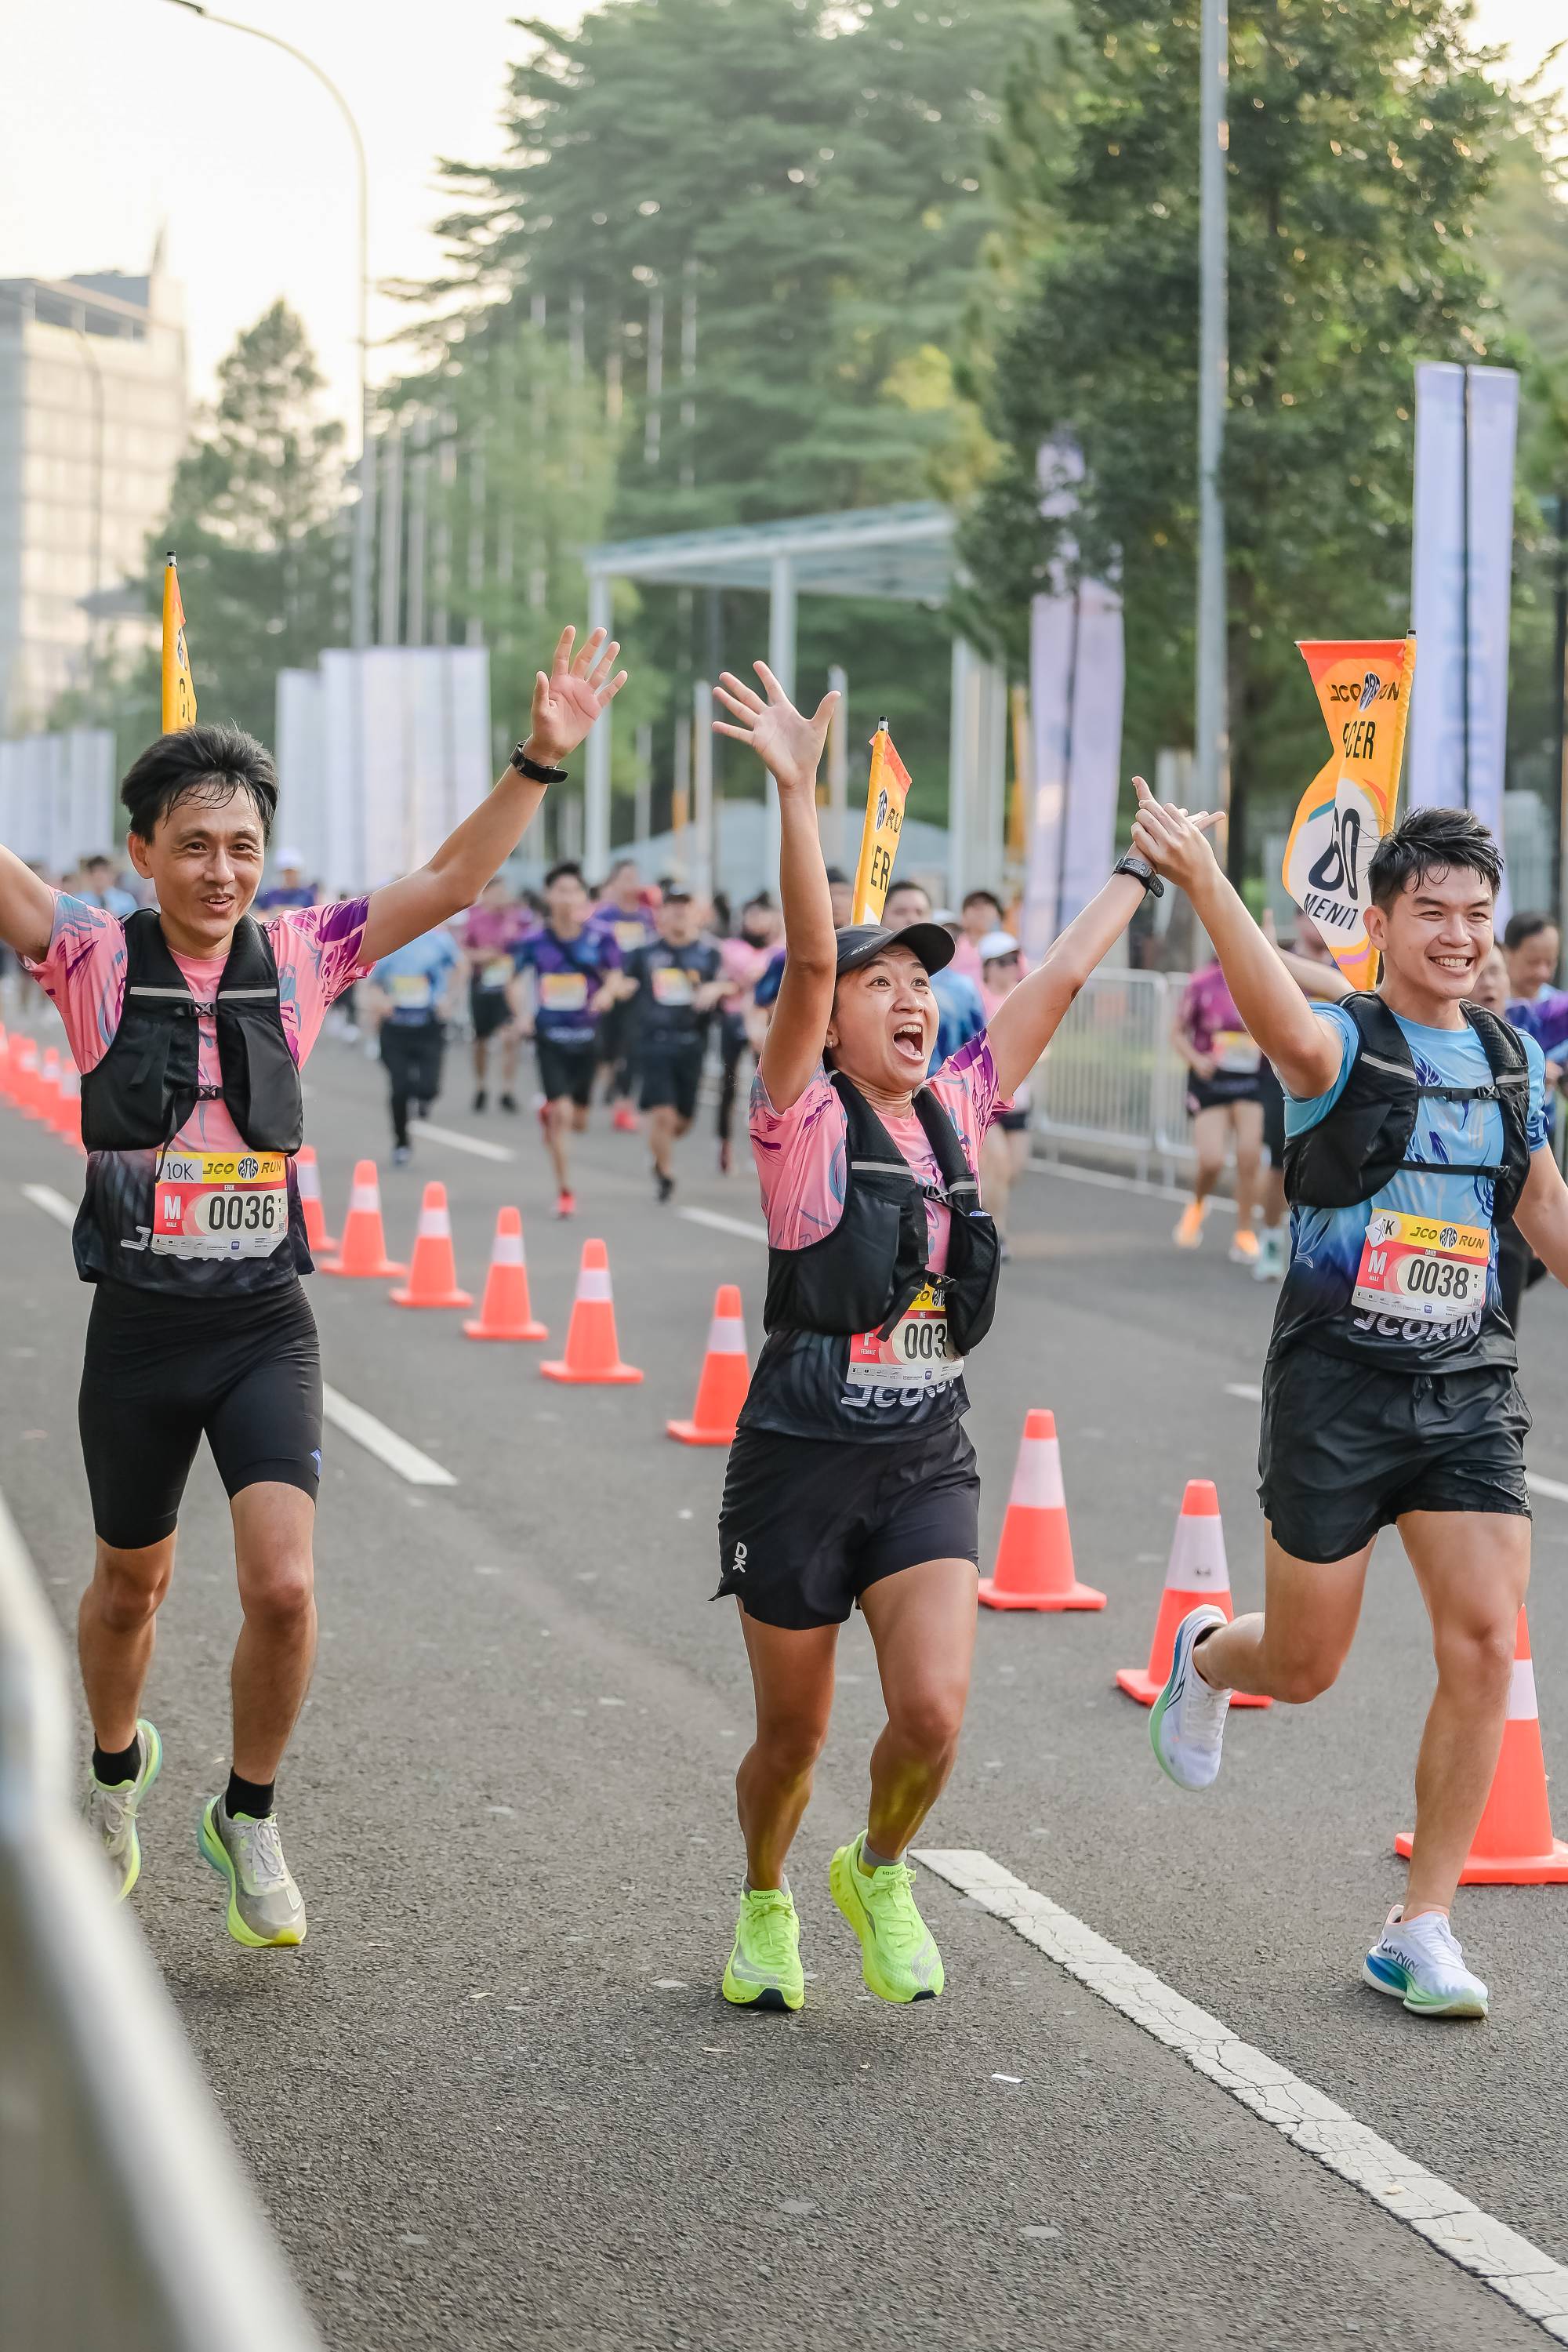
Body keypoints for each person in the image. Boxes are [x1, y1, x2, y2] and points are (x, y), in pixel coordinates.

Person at [0, 623, 622, 1945]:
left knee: (283, 1585)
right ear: (143, 853)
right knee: (129, 1588)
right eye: (194, 845)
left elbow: (453, 879)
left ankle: (249, 1813)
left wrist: (539, 759)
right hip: (139, 1328)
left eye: (242, 846)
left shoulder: (306, 953)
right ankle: (114, 1774)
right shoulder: (89, 954)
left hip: (261, 1325)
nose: (221, 870)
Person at [708, 660, 1172, 2015]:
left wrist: (1142, 870)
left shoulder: (959, 1106)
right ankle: (764, 1895)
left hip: (923, 1455)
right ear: (833, 1018)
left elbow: (1063, 978)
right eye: (882, 981)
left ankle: (879, 1869)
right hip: (798, 1459)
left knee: (931, 1714)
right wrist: (797, 792)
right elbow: (806, 959)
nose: (910, 995)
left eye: (922, 979)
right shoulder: (799, 1115)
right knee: (792, 1737)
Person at [1133, 791, 1568, 2023]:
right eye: (1432, 912)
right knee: (1306, 1664)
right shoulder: (1339, 1043)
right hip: (1336, 1386)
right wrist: (1205, 880)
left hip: (1466, 1384)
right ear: (1379, 924)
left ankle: (1421, 1925)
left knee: (1486, 1639)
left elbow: (1542, 1210)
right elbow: (1270, 1005)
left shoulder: (1510, 1060)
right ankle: (1208, 1657)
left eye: (1476, 914)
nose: (1460, 935)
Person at [512, 859, 623, 1216]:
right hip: (550, 1037)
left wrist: (607, 992)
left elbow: (616, 975)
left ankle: (551, 1113)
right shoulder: (533, 941)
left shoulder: (601, 936)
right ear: (549, 895)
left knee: (579, 1120)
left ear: (583, 896)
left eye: (574, 890)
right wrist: (521, 1014)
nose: (568, 897)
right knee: (561, 1115)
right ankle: (565, 1191)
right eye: (561, 890)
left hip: (588, 1037)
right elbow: (515, 982)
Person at [1253, 913, 1349, 1282]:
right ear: (1297, 920)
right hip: (1282, 1080)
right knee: (1280, 1165)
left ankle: (1322, 1250)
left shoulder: (1350, 966)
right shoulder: (1275, 958)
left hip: (1339, 1082)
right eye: (1313, 916)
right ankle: (1271, 1241)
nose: (1321, 925)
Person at [616, 887, 726, 1202]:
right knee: (663, 1114)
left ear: (696, 913)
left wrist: (717, 988)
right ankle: (665, 1173)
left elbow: (733, 983)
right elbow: (624, 980)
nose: (679, 912)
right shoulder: (645, 952)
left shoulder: (710, 952)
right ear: (661, 913)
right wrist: (618, 989)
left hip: (692, 1042)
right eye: (672, 906)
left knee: (682, 1122)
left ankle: (658, 1149)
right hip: (654, 1041)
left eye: (685, 906)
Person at [1171, 953, 1265, 1263]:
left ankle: (1244, 1233)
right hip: (1210, 1081)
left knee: (1249, 1156)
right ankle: (1198, 1205)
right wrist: (1197, 1061)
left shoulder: (1259, 976)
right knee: (1211, 1160)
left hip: (1251, 1080)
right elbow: (1176, 1032)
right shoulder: (1201, 982)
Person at [367, 923, 460, 1163]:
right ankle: (401, 1142)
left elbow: (461, 967)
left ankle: (424, 1098)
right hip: (395, 1029)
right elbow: (374, 983)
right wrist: (381, 1001)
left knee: (429, 1088)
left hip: (429, 1026)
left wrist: (449, 998)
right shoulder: (388, 940)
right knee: (400, 1088)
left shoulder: (439, 941)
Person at [884, 879, 987, 1072]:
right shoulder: (863, 980)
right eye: (900, 912)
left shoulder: (962, 988)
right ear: (881, 917)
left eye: (919, 912)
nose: (911, 919)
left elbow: (976, 1050)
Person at [590, 858, 659, 1130]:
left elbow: (653, 955)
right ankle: (609, 1083)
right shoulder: (602, 917)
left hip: (637, 993)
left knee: (633, 1049)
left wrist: (636, 982)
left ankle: (624, 1104)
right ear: (614, 882)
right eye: (625, 878)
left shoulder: (647, 917)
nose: (631, 883)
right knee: (606, 1049)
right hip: (607, 993)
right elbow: (592, 955)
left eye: (635, 878)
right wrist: (611, 983)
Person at [715, 896, 779, 1173]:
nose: (757, 921)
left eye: (763, 915)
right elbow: (737, 978)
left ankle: (765, 1149)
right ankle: (724, 1144)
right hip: (734, 1021)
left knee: (766, 1091)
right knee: (728, 1085)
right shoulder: (730, 948)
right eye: (752, 915)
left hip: (767, 1026)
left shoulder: (780, 949)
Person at [978, 931, 1033, 1252]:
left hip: (1019, 1098)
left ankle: (977, 1214)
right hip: (986, 1098)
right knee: (997, 1164)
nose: (1010, 967)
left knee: (1013, 1170)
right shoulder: (977, 999)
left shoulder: (1026, 997)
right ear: (987, 967)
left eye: (1014, 960)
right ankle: (996, 1237)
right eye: (1002, 962)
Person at [462, 876, 525, 1112]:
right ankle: (481, 1086)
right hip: (481, 986)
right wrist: (482, 956)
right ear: (485, 894)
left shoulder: (516, 918)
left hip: (506, 988)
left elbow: (527, 946)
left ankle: (507, 1090)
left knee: (510, 1038)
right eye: (497, 892)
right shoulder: (473, 918)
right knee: (481, 1040)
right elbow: (462, 951)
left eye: (504, 892)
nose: (502, 897)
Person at [1501, 909, 1563, 1007]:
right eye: (1533, 962)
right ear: (1506, 955)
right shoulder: (1486, 1006)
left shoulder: (1560, 1008)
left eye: (1550, 963)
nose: (1543, 973)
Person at [77, 854, 138, 920]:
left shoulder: (126, 900)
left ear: (112, 874)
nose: (99, 876)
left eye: (103, 871)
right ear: (88, 876)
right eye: (94, 872)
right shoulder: (80, 902)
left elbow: (133, 923)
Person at [256, 848, 314, 913]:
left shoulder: (307, 896)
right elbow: (261, 914)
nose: (290, 876)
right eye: (287, 873)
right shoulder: (270, 895)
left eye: (293, 873)